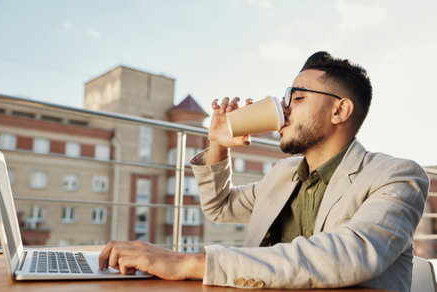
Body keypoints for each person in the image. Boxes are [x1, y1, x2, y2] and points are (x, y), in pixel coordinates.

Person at [98, 51, 429, 291]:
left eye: (297, 98)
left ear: (340, 110)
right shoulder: (283, 174)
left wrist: (187, 262)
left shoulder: (397, 176)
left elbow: (350, 255)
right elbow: (220, 207)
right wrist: (218, 144)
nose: (282, 112)